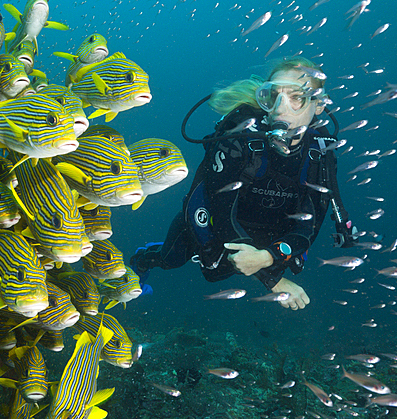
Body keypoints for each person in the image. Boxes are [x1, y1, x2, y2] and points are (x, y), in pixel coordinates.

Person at [130, 57, 358, 311]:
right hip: (214, 230)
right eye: (273, 96)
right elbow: (218, 209)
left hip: (269, 240)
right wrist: (270, 278)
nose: (281, 108)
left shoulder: (320, 154)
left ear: (317, 105)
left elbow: (309, 227)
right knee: (170, 259)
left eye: (296, 97)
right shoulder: (240, 138)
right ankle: (143, 259)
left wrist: (266, 257)